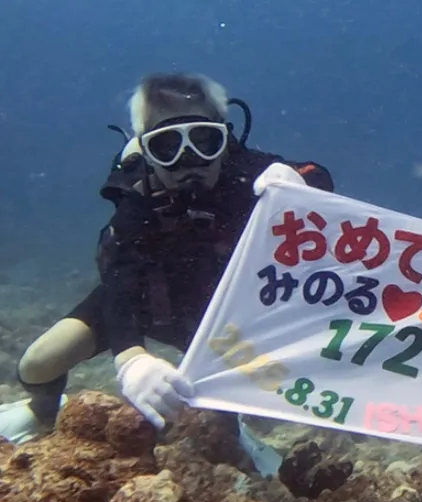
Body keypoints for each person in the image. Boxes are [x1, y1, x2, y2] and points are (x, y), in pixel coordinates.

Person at [0, 73, 335, 451]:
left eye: (204, 140)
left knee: (224, 410)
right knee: (38, 363)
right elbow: (119, 276)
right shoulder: (137, 193)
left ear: (224, 138)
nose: (188, 160)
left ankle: (236, 438)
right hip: (147, 298)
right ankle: (42, 411)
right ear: (145, 150)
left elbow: (315, 174)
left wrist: (300, 181)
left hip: (221, 310)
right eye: (167, 146)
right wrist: (131, 358)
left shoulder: (243, 170)